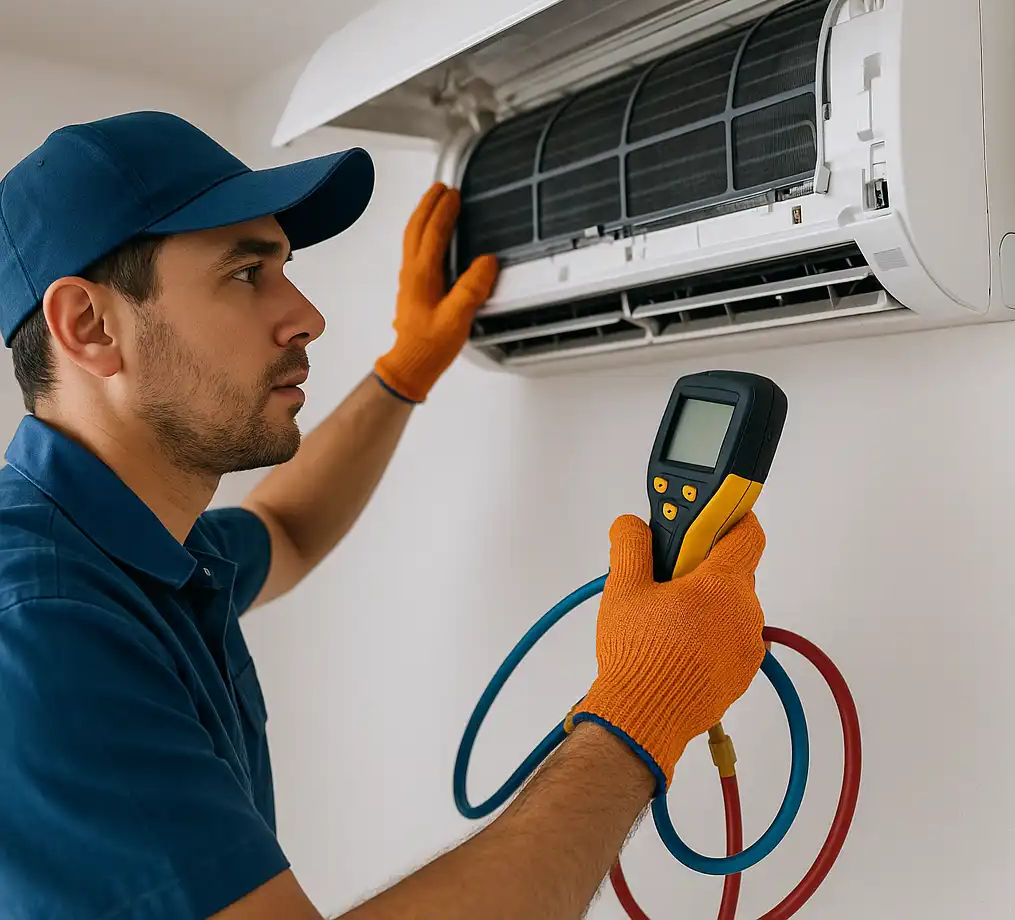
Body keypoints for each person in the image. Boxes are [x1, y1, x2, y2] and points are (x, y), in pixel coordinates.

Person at [0, 111, 768, 920]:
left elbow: (285, 531)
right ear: (89, 326)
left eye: (284, 267)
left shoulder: (128, 555)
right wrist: (643, 707)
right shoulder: (41, 628)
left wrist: (404, 371)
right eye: (244, 274)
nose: (307, 315)